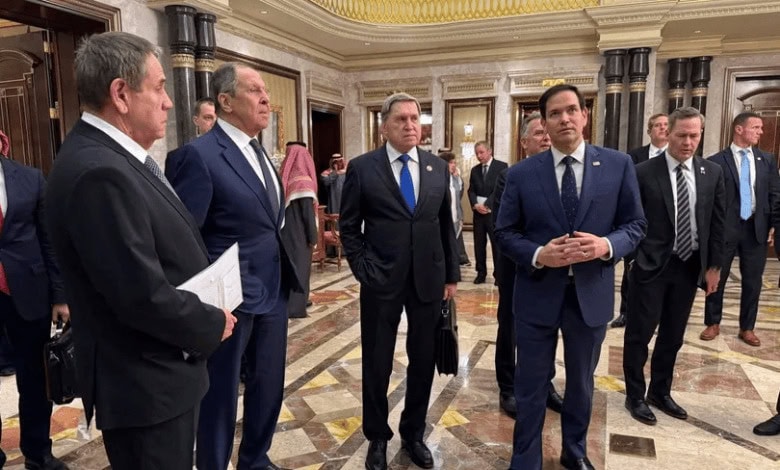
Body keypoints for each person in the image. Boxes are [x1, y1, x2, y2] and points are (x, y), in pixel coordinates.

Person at [45, 32, 234, 470]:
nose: (168, 103)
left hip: (162, 374)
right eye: (160, 87)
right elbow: (139, 295)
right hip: (145, 385)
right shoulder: (98, 172)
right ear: (121, 94)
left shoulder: (115, 157)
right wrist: (211, 321)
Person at [494, 84, 645, 470]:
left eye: (572, 110)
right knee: (530, 384)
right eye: (555, 113)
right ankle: (525, 458)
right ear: (544, 123)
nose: (565, 118)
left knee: (581, 383)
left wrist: (605, 245)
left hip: (590, 295)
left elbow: (635, 225)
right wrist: (538, 254)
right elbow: (505, 232)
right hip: (536, 294)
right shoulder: (522, 174)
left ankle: (574, 450)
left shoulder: (617, 165)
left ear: (584, 115)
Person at [166, 61, 301, 470]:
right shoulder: (198, 156)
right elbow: (184, 239)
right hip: (227, 300)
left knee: (268, 384)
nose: (266, 99)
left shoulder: (260, 152)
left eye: (266, 91)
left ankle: (255, 459)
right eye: (255, 90)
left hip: (273, 290)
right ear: (225, 101)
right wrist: (201, 304)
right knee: (220, 395)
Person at [340, 92, 459, 470]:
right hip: (381, 280)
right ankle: (377, 436)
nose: (410, 126)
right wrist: (363, 268)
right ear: (384, 127)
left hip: (428, 279)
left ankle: (413, 433)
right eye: (401, 119)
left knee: (423, 359)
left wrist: (451, 275)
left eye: (414, 119)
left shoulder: (436, 168)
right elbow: (348, 226)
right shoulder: (363, 168)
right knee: (377, 361)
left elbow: (445, 224)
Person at [622, 107, 725, 427]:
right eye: (682, 135)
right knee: (639, 334)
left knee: (673, 334)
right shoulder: (643, 172)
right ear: (668, 134)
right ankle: (635, 395)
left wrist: (714, 266)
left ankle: (660, 391)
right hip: (650, 265)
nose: (688, 142)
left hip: (689, 266)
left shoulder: (711, 172)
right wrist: (634, 257)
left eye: (694, 136)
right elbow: (628, 218)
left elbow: (718, 222)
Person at [0, 130, 69, 470]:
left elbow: (49, 240)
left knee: (35, 378)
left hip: (28, 293)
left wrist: (60, 296)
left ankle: (39, 454)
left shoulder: (30, 179)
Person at [491, 112, 562, 418]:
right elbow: (503, 228)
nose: (545, 138)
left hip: (556, 270)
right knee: (510, 328)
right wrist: (536, 253)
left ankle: (545, 384)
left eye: (547, 132)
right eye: (538, 133)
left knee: (548, 328)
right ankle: (508, 387)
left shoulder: (564, 175)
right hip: (517, 268)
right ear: (524, 142)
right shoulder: (510, 176)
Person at [699, 112, 780, 346]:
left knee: (753, 280)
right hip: (725, 228)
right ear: (739, 129)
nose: (760, 132)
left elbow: (775, 195)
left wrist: (775, 225)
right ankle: (712, 322)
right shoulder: (715, 161)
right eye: (756, 127)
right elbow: (708, 200)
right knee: (717, 275)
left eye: (761, 128)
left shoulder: (767, 160)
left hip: (756, 228)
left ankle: (747, 327)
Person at [612, 113, 669, 328]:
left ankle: (660, 314)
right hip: (636, 221)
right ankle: (625, 312)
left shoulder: (676, 157)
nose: (662, 128)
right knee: (631, 269)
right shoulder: (634, 157)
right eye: (657, 125)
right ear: (649, 131)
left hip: (665, 224)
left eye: (666, 125)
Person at [280, 141, 318, 318]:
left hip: (285, 233)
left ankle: (295, 301)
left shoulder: (285, 179)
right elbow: (307, 214)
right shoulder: (303, 182)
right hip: (300, 234)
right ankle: (296, 307)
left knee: (289, 269)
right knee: (301, 269)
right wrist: (313, 237)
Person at [468, 141, 507, 284]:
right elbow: (471, 190)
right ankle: (481, 273)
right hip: (478, 213)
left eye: (481, 152)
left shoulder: (501, 167)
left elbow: (500, 189)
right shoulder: (475, 170)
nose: (479, 156)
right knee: (479, 244)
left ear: (489, 151)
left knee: (496, 244)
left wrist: (487, 204)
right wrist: (475, 204)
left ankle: (499, 274)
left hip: (494, 212)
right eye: (477, 153)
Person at [438, 149, 471, 266]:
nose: (454, 165)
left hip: (455, 215)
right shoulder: (438, 178)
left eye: (454, 163)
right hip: (442, 217)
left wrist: (457, 178)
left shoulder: (455, 178)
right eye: (451, 163)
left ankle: (457, 261)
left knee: (455, 239)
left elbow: (459, 195)